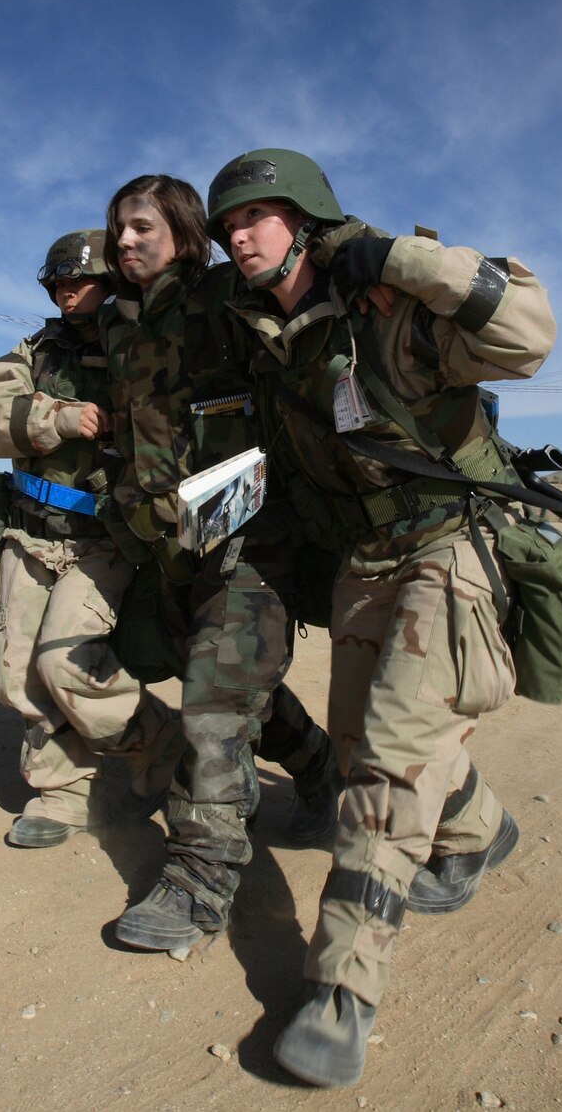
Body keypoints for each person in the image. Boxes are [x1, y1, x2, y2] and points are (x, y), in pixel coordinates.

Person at [208, 148, 555, 1087]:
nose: (239, 234)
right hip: (363, 561)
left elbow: (527, 332)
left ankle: (341, 990)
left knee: (390, 759)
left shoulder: (387, 310)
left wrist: (406, 261)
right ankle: (478, 825)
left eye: (259, 215)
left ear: (308, 219)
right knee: (377, 742)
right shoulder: (267, 337)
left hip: (450, 546)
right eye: (228, 224)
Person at [98, 173, 339, 955]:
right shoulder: (115, 323)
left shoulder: (221, 296)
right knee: (232, 687)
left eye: (141, 227)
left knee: (214, 697)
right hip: (171, 547)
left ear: (182, 229)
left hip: (252, 534)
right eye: (117, 230)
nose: (124, 241)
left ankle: (200, 875)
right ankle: (318, 764)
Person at [0, 229, 182, 849]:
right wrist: (57, 417)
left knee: (66, 662)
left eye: (80, 280)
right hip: (30, 535)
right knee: (15, 675)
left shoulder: (141, 347)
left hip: (105, 540)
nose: (67, 292)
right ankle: (61, 789)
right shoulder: (34, 350)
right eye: (59, 282)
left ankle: (156, 741)